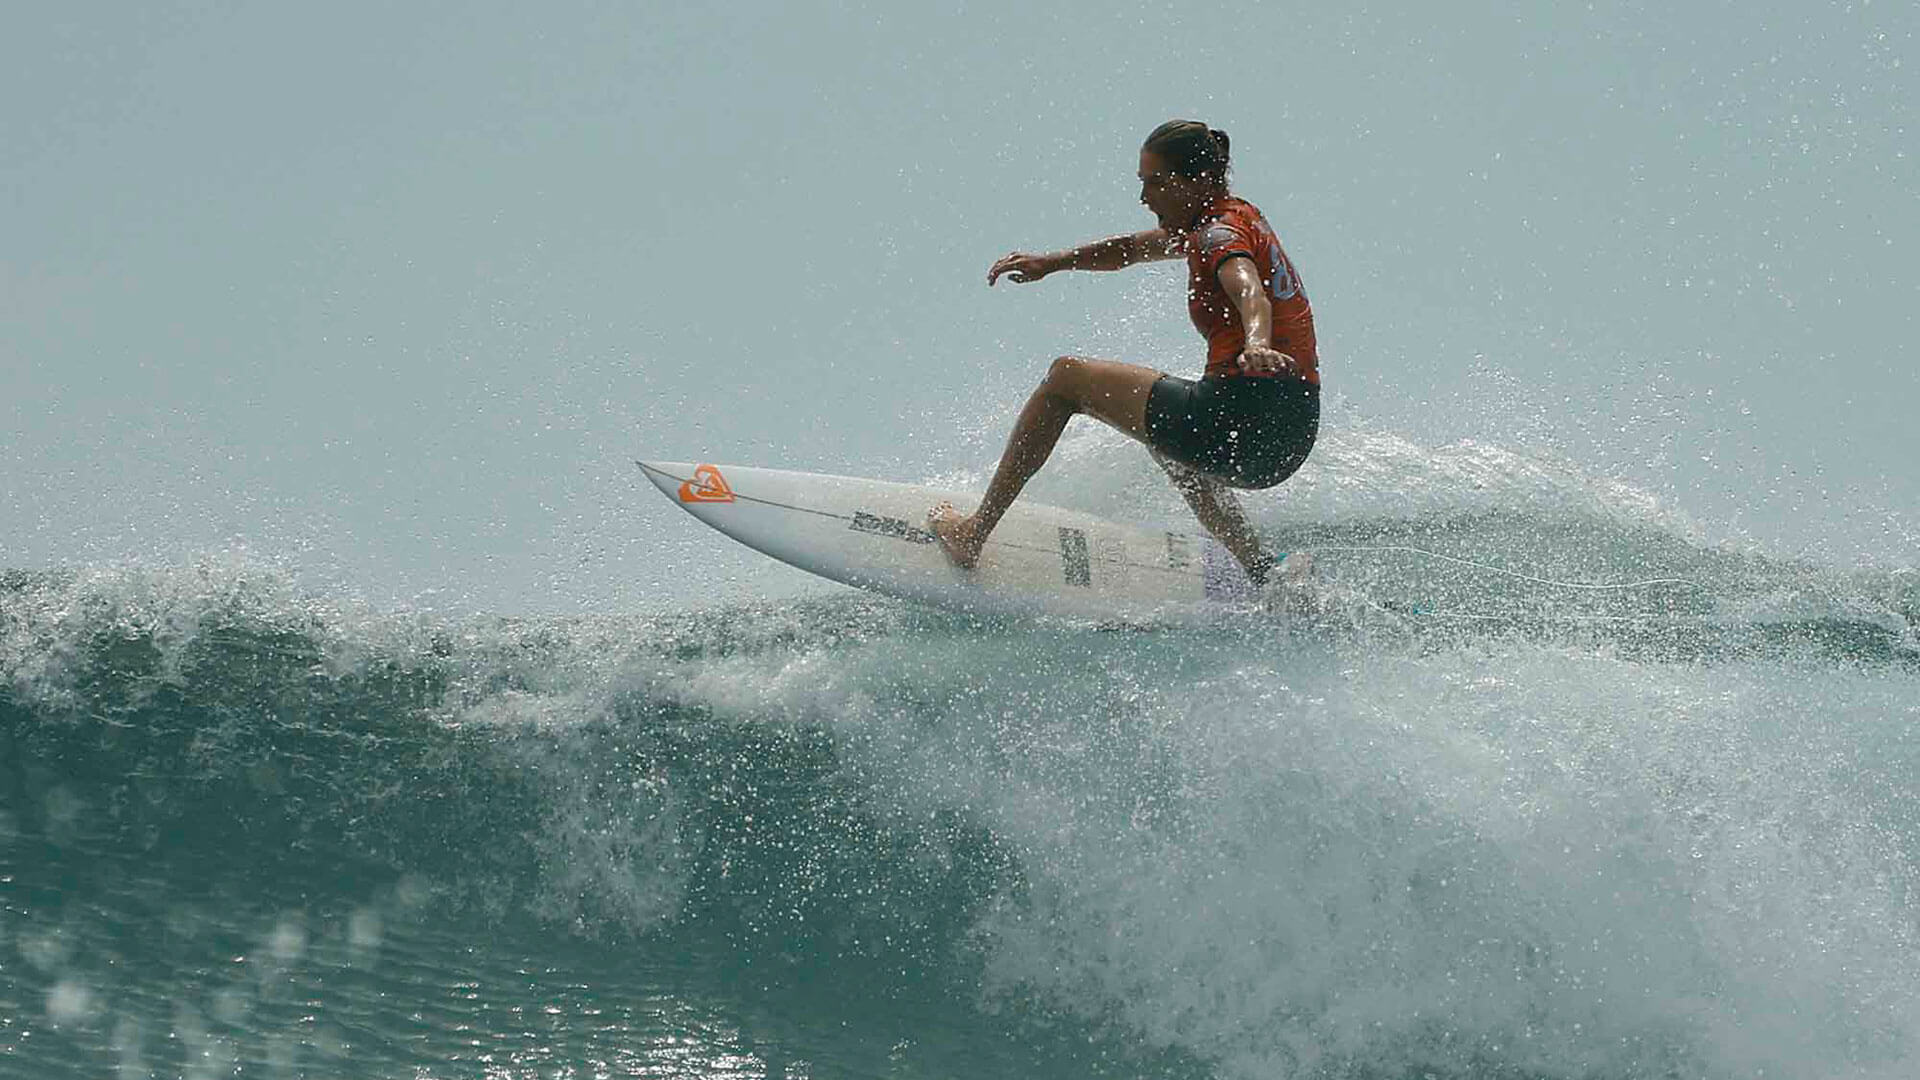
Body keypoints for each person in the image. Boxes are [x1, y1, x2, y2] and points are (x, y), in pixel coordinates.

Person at [928, 120, 1320, 589]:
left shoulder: (1219, 238)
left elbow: (1249, 293)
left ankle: (973, 533)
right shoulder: (1233, 218)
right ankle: (1261, 572)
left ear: (1197, 181)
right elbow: (1130, 250)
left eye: (1155, 183)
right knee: (1168, 441)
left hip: (1236, 420)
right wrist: (1053, 262)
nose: (1145, 197)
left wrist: (1257, 343)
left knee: (1065, 379)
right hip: (1290, 434)